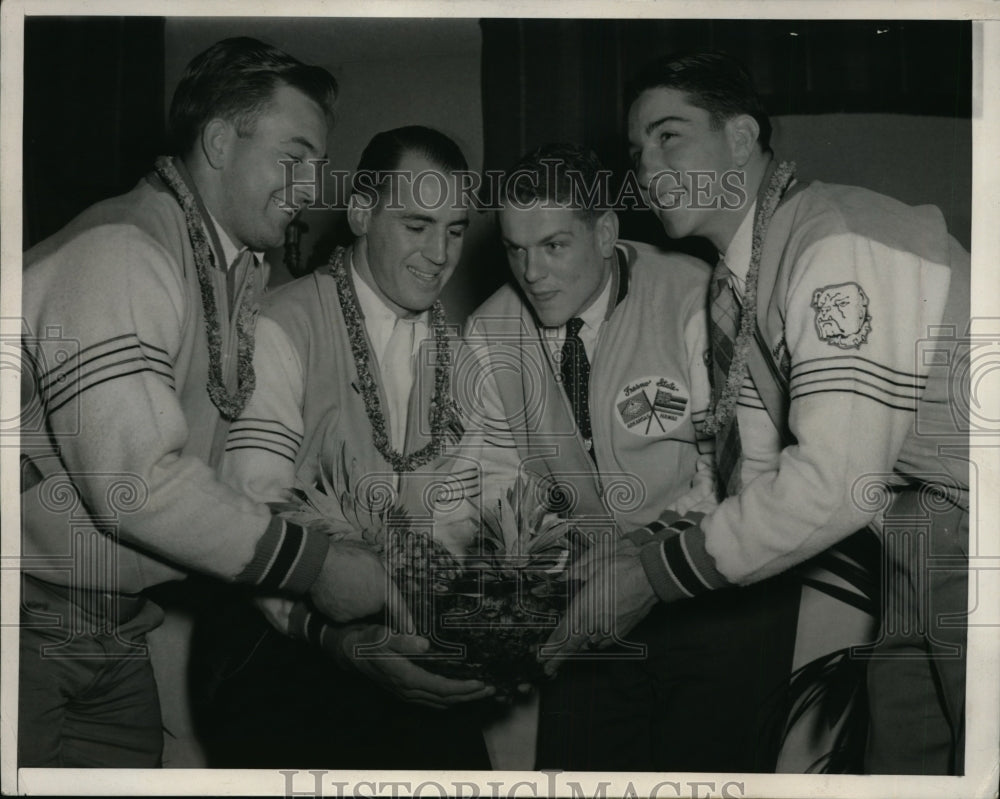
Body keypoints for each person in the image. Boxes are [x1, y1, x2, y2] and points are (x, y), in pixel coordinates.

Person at [545, 52, 970, 776]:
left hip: (972, 519)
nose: (646, 165)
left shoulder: (835, 240)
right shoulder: (736, 285)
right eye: (636, 149)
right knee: (907, 756)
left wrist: (649, 579)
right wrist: (631, 553)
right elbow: (752, 483)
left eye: (669, 135)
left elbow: (831, 483)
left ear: (742, 137)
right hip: (922, 524)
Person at [17, 37, 394, 768]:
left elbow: (219, 497)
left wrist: (326, 614)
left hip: (116, 632)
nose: (311, 185)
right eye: (295, 156)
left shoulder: (230, 272)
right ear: (219, 141)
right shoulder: (122, 251)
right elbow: (140, 486)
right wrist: (318, 565)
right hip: (26, 627)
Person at [462, 143, 802, 771]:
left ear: (605, 232)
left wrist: (644, 551)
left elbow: (734, 471)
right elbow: (492, 479)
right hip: (587, 595)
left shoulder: (696, 296)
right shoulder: (488, 332)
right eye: (516, 248)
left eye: (554, 245)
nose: (531, 271)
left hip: (712, 592)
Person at [200, 126, 495, 769]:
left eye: (454, 229)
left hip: (401, 633)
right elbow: (248, 517)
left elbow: (459, 519)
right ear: (361, 213)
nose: (440, 254)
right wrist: (339, 639)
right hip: (280, 643)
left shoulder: (464, 353)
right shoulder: (281, 326)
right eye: (417, 226)